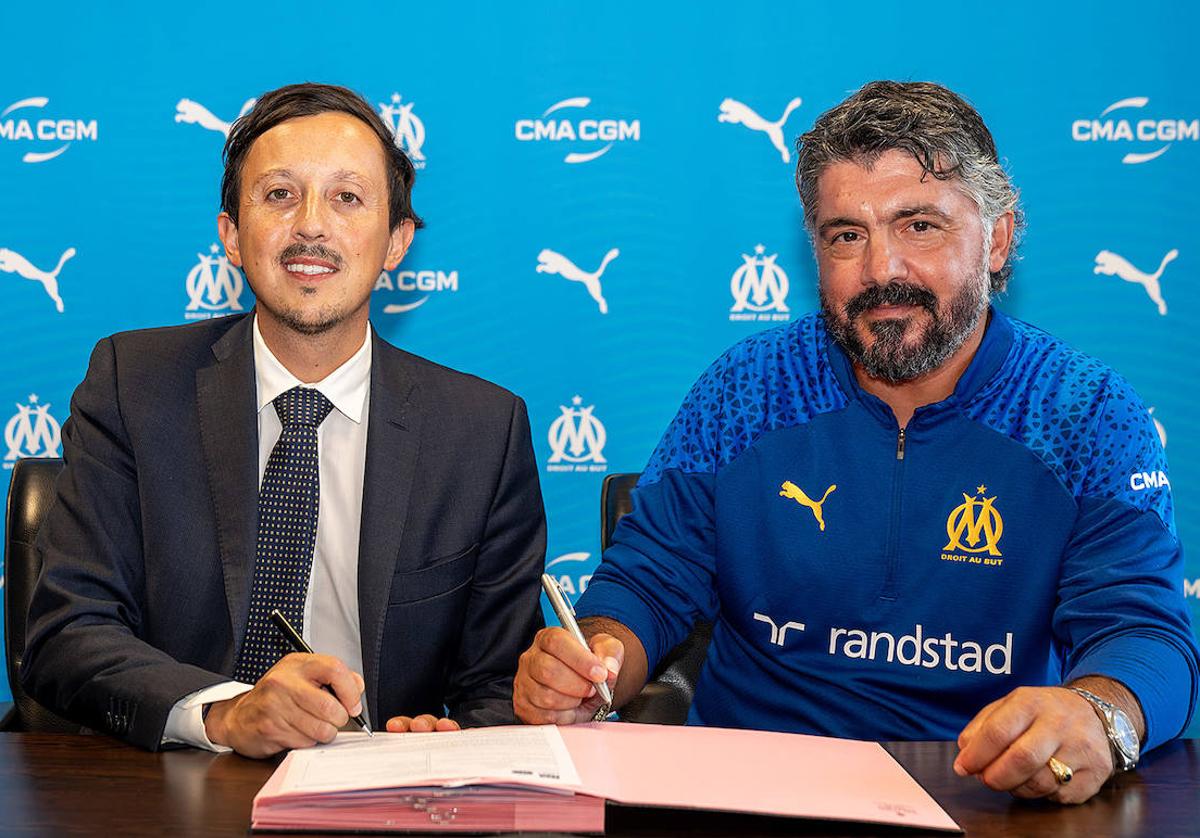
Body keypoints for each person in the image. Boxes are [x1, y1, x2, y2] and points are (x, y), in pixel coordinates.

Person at [514, 81, 1199, 804]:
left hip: (984, 795)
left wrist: (1098, 714)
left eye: (920, 227)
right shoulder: (745, 390)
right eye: (848, 235)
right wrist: (591, 669)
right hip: (747, 794)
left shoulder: (1083, 412)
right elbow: (646, 584)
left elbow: (1144, 638)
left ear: (997, 241)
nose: (882, 271)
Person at [22, 83, 546, 758]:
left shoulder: (482, 430)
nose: (311, 226)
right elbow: (68, 632)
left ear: (396, 242)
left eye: (347, 197)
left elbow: (499, 686)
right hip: (175, 789)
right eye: (279, 195)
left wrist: (446, 739)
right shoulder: (133, 385)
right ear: (232, 236)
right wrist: (225, 714)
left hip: (380, 802)